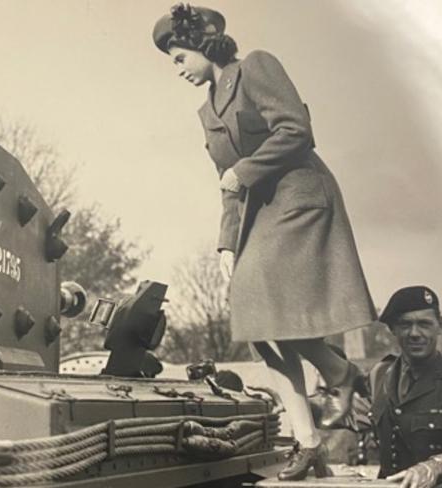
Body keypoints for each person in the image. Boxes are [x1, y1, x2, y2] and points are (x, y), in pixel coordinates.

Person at [152, 4, 377, 480]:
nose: (176, 69)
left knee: (260, 304)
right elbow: (227, 187)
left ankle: (338, 378)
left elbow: (296, 130)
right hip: (258, 216)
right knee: (257, 323)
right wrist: (226, 246)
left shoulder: (255, 66)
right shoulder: (206, 111)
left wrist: (244, 170)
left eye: (178, 56)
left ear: (203, 42)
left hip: (298, 198)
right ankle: (309, 437)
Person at [368, 286, 442, 488]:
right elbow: (356, 415)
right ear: (392, 329)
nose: (414, 333)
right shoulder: (379, 375)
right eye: (405, 325)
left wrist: (440, 466)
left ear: (440, 325)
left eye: (424, 324)